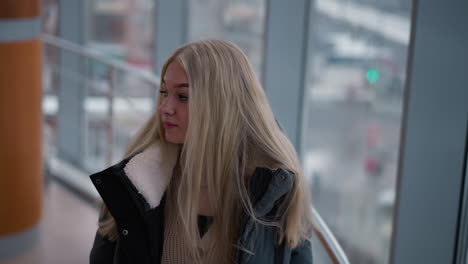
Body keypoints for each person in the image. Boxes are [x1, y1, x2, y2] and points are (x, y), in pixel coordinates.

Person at [89, 40, 314, 264]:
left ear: (222, 104)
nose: (165, 108)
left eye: (183, 96)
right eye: (165, 93)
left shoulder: (275, 190)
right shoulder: (134, 181)